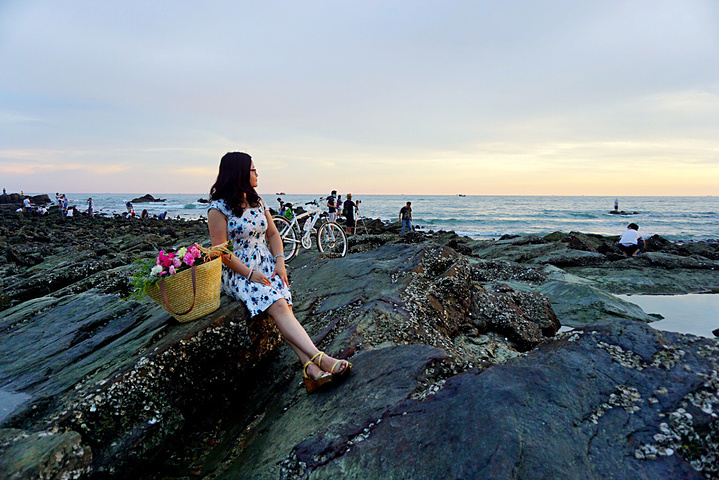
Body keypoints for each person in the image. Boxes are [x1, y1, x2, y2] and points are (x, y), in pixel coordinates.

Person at [208, 152, 352, 393]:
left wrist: (280, 262)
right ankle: (320, 358)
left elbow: (273, 234)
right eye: (253, 170)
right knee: (278, 304)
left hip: (265, 262)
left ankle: (309, 368)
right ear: (240, 173)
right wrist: (250, 274)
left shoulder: (257, 201)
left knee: (283, 304)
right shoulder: (218, 208)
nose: (257, 174)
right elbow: (220, 251)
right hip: (238, 271)